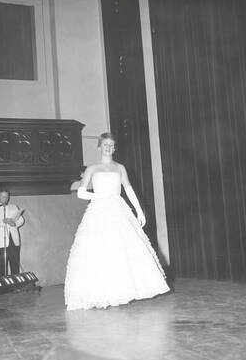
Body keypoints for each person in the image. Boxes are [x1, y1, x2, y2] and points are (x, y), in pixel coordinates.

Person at [64, 132, 170, 310]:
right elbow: (81, 193)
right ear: (99, 146)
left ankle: (121, 291)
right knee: (100, 249)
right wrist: (99, 195)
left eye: (111, 145)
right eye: (105, 144)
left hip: (118, 209)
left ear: (114, 148)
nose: (108, 148)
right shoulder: (92, 168)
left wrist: (139, 210)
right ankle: (102, 292)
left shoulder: (120, 168)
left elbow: (128, 190)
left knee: (122, 248)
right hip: (98, 210)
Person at [0, 190, 24, 276]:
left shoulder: (14, 207)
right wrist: (3, 221)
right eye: (3, 196)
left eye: (7, 196)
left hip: (14, 241)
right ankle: (4, 288)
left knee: (15, 266)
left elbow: (21, 220)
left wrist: (14, 223)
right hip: (1, 243)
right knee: (2, 267)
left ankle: (15, 288)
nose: (6, 198)